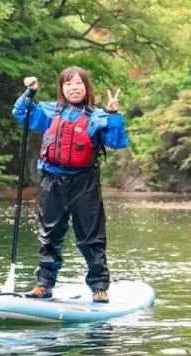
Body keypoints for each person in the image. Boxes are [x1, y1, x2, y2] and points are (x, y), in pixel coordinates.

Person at [12, 67, 127, 303]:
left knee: (91, 236)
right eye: (68, 84)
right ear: (62, 88)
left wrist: (114, 115)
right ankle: (44, 284)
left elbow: (116, 142)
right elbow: (21, 113)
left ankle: (99, 286)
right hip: (51, 181)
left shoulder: (97, 116)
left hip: (84, 182)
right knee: (49, 234)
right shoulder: (47, 111)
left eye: (78, 84)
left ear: (86, 88)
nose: (73, 88)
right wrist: (29, 93)